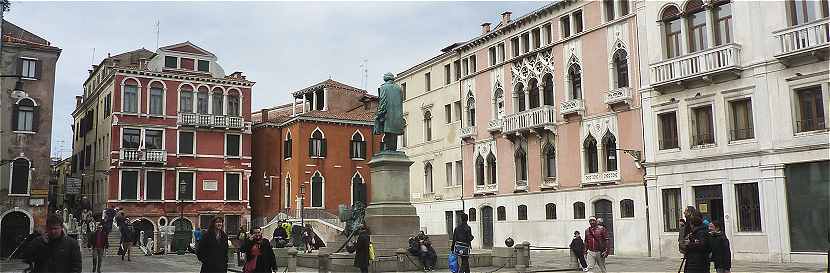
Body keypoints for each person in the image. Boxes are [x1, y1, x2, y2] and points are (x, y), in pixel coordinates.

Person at [682, 208, 710, 273]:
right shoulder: (694, 231)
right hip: (693, 261)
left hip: (698, 263)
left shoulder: (701, 232)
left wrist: (690, 244)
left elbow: (702, 245)